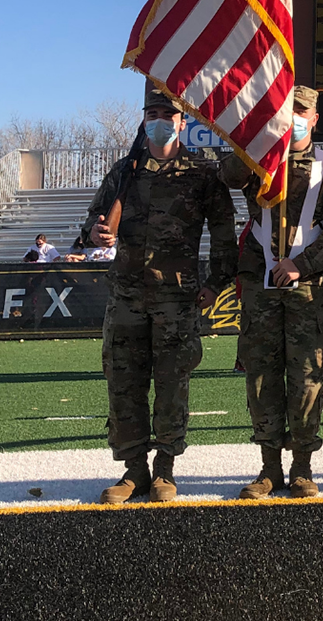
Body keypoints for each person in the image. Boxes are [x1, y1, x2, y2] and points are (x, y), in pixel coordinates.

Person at [84, 90, 237, 504]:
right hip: (127, 298)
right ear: (143, 121)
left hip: (177, 299)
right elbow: (90, 224)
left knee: (172, 385)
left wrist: (215, 282)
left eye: (167, 114)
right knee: (124, 384)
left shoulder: (202, 174)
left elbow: (224, 234)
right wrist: (94, 234)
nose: (159, 121)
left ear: (182, 122)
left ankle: (165, 469)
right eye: (151, 114)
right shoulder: (123, 172)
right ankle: (133, 470)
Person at [220, 85, 323, 499]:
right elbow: (227, 175)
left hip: (307, 290)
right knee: (261, 377)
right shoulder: (259, 160)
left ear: (315, 118)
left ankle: (302, 467)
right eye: (285, 110)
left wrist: (301, 264)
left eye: (301, 111)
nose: (293, 116)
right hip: (260, 285)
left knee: (307, 379)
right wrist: (257, 143)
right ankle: (268, 468)